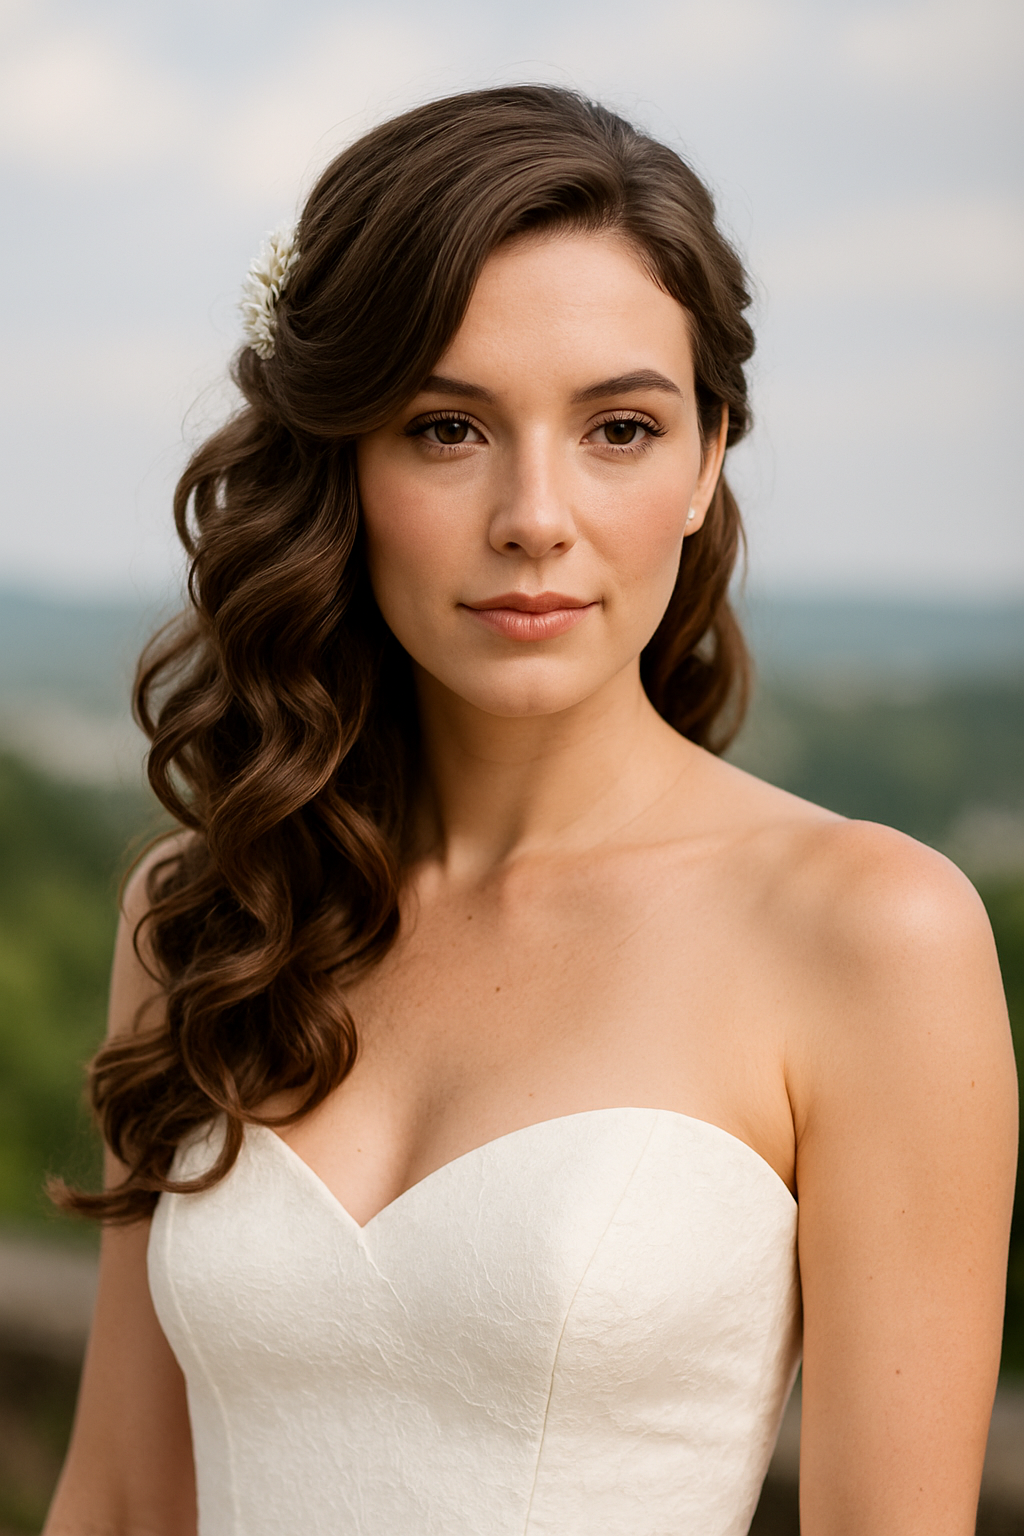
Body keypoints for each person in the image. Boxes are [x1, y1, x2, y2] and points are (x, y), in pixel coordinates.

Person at [44, 85, 1016, 1536]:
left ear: (707, 462)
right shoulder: (210, 907)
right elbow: (121, 1499)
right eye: (447, 428)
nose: (534, 516)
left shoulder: (871, 932)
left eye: (620, 426)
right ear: (343, 462)